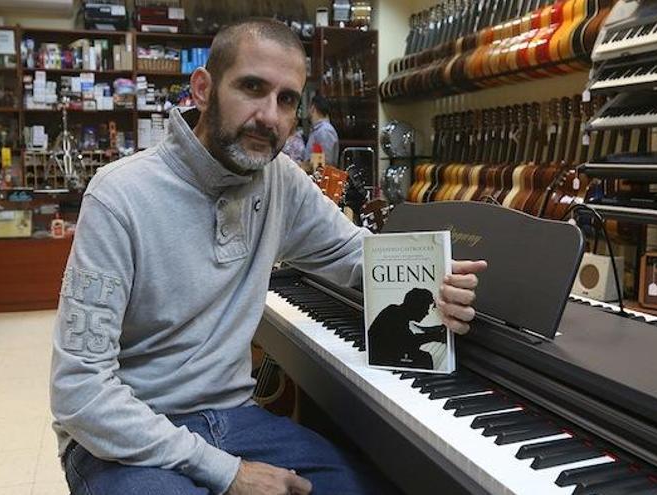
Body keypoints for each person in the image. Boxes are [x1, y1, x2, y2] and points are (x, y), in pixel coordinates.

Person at [50, 18, 487, 495]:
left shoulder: (281, 180)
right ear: (202, 89)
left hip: (236, 420)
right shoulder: (119, 196)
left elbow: (355, 255)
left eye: (287, 100)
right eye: (252, 88)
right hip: (127, 437)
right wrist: (229, 473)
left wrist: (437, 278)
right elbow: (80, 392)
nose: (270, 116)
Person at [367, 288, 447, 369]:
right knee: (424, 358)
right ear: (416, 306)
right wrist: (435, 336)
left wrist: (435, 332)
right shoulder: (395, 315)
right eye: (425, 308)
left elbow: (406, 338)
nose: (427, 313)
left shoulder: (395, 311)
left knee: (423, 357)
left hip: (380, 354)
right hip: (380, 359)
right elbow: (410, 342)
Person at [303, 94, 340, 167]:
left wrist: (302, 166)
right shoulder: (318, 130)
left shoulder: (324, 131)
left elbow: (322, 163)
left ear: (313, 108)